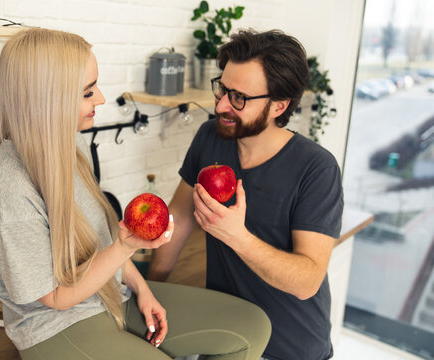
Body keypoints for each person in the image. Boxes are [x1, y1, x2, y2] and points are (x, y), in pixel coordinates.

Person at [0, 28, 271, 360]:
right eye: (87, 92)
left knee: (252, 325)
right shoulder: (8, 188)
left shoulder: (70, 144)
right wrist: (125, 247)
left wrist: (142, 289)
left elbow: (102, 239)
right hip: (56, 326)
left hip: (112, 295)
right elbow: (57, 298)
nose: (100, 99)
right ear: (48, 99)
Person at [147, 29, 344, 360]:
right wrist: (150, 291)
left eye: (239, 97)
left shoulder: (317, 168)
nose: (222, 104)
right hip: (225, 329)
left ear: (280, 105)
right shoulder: (211, 136)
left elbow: (307, 280)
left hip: (289, 347)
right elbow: (178, 218)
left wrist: (236, 236)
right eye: (222, 89)